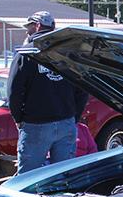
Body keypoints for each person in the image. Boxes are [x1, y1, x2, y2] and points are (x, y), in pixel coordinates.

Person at [8, 11, 88, 174]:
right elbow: (83, 87)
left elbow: (14, 91)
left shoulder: (26, 53)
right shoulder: (68, 53)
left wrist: (19, 119)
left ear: (37, 26)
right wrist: (74, 117)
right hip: (66, 122)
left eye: (29, 27)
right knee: (63, 176)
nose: (27, 32)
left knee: (29, 177)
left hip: (35, 124)